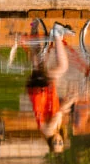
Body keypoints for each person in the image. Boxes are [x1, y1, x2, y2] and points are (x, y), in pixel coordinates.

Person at [27, 23, 78, 153]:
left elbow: (58, 113)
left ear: (50, 143)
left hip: (41, 90)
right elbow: (59, 110)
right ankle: (33, 27)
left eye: (55, 143)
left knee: (62, 67)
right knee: (39, 61)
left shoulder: (48, 131)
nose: (58, 140)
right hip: (43, 91)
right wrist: (69, 99)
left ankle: (57, 34)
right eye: (60, 142)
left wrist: (68, 102)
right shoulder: (57, 128)